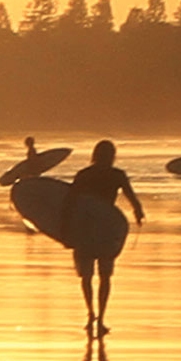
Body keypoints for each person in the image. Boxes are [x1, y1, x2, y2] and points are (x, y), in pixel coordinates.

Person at [63, 141, 145, 338]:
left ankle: (91, 313)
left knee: (87, 276)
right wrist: (138, 213)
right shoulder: (117, 175)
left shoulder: (84, 175)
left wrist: (65, 230)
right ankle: (100, 317)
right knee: (105, 276)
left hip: (84, 228)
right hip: (106, 229)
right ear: (111, 155)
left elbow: (69, 203)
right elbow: (132, 198)